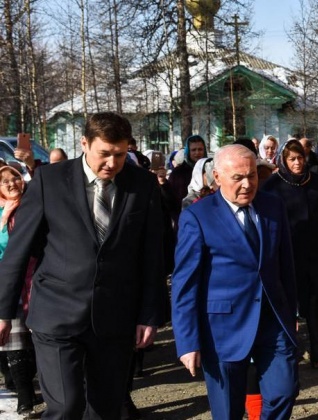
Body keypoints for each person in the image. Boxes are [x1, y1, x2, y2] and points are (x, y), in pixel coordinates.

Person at [0, 112, 166, 418]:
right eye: (104, 154)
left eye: (120, 154)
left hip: (115, 316)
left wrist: (150, 313)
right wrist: (2, 312)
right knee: (66, 406)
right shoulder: (49, 180)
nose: (112, 163)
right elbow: (18, 250)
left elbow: (153, 253)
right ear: (84, 143)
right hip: (57, 314)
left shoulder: (142, 185)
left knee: (104, 409)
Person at [172, 144, 298, 419]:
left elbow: (285, 265)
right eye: (237, 178)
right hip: (222, 330)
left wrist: (291, 312)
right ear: (217, 177)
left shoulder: (272, 206)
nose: (247, 184)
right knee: (228, 410)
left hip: (272, 321)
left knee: (284, 391)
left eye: (251, 175)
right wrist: (187, 341)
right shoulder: (197, 216)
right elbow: (185, 283)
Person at [261, 140, 318, 368]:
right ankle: (289, 351)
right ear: (284, 160)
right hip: (288, 251)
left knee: (317, 299)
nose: (297, 163)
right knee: (288, 301)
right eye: (292, 159)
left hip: (315, 251)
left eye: (300, 158)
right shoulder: (273, 185)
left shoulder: (315, 181)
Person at [0, 166, 37, 416]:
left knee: (36, 341)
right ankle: (25, 395)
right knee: (13, 343)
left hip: (35, 281)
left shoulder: (33, 205)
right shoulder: (1, 214)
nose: (12, 182)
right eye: (4, 181)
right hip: (7, 285)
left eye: (14, 176)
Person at [167, 135, 208, 204]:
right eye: (193, 150)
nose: (197, 153)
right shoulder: (177, 173)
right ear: (188, 152)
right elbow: (170, 199)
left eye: (200, 149)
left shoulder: (210, 170)